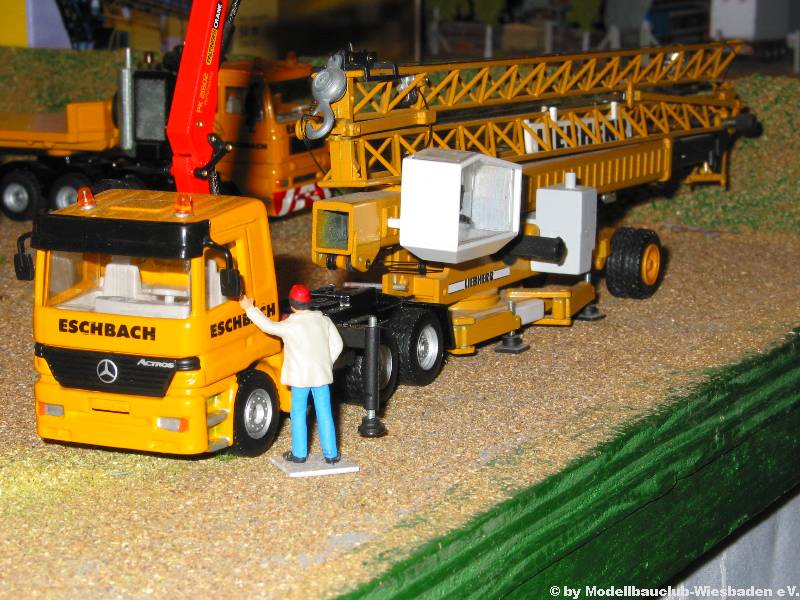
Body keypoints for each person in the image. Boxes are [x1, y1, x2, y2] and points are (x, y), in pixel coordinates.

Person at [240, 284, 344, 464]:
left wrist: (250, 308)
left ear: (292, 305)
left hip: (299, 379)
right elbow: (338, 344)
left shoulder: (290, 325)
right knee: (325, 414)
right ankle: (331, 454)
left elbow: (267, 326)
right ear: (309, 302)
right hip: (321, 377)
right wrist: (327, 363)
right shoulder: (324, 321)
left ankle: (299, 453)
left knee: (298, 415)